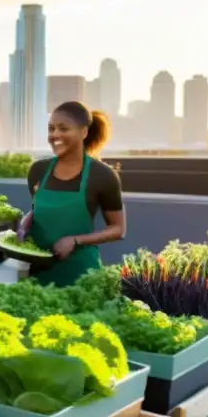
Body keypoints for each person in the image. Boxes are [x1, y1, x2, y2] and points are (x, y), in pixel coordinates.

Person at [16, 101, 125, 287]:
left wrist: (75, 240)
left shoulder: (102, 175)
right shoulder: (37, 170)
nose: (55, 135)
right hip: (37, 274)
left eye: (63, 129)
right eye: (51, 129)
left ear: (84, 132)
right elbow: (38, 211)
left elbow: (118, 229)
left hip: (81, 276)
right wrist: (24, 226)